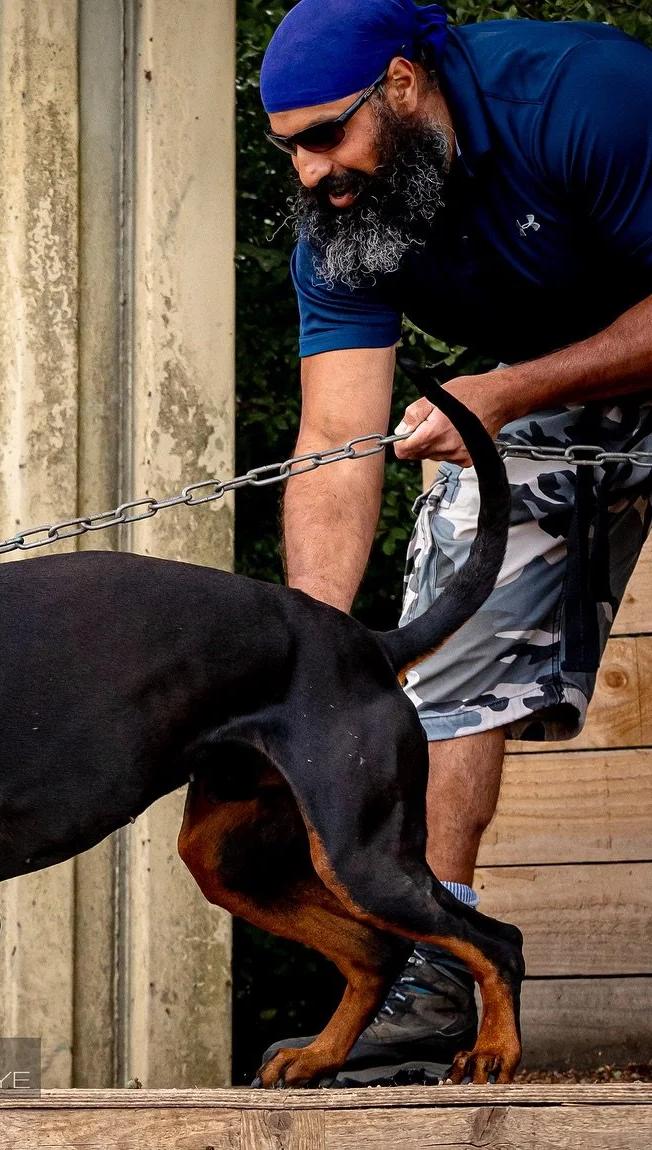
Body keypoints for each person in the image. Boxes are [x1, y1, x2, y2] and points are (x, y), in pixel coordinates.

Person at [259, 0, 652, 1083]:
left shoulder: (583, 99)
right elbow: (339, 436)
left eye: (326, 136)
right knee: (443, 625)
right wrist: (316, 660)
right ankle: (441, 960)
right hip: (549, 393)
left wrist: (506, 388)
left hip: (569, 362)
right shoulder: (343, 223)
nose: (310, 173)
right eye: (287, 147)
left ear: (400, 85)